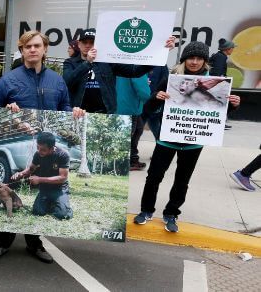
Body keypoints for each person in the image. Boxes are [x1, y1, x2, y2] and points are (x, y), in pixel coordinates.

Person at [0, 30, 84, 264]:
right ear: (21, 50)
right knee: (11, 192)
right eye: (27, 46)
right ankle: (1, 241)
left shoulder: (57, 80)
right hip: (22, 141)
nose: (32, 50)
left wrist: (76, 113)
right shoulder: (8, 80)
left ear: (45, 49)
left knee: (41, 202)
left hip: (45, 150)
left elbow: (65, 109)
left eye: (37, 45)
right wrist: (7, 112)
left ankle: (34, 243)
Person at [134, 41, 241, 233]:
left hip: (193, 141)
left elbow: (218, 112)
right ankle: (146, 210)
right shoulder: (172, 79)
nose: (194, 61)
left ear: (205, 61)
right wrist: (156, 98)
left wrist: (232, 104)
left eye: (199, 58)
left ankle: (172, 213)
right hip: (168, 137)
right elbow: (149, 108)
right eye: (191, 57)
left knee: (182, 180)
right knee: (154, 176)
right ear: (184, 59)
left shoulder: (216, 81)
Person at [64, 29, 175, 114]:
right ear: (79, 44)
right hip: (78, 112)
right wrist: (87, 63)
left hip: (105, 113)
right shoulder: (70, 63)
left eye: (92, 42)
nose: (88, 45)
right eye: (84, 42)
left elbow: (134, 71)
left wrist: (161, 53)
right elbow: (67, 82)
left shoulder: (107, 62)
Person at [12, 132, 73, 220]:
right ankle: (52, 203)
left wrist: (39, 179)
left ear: (52, 148)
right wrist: (21, 174)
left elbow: (63, 178)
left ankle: (60, 204)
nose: (39, 151)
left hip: (59, 189)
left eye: (43, 149)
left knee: (63, 215)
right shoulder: (38, 154)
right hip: (45, 189)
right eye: (38, 148)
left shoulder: (63, 155)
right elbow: (31, 169)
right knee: (37, 212)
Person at [116, 74, 150, 171]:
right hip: (130, 106)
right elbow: (143, 91)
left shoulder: (120, 62)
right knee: (131, 134)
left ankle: (132, 158)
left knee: (138, 129)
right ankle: (124, 162)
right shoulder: (137, 65)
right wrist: (153, 103)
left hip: (123, 104)